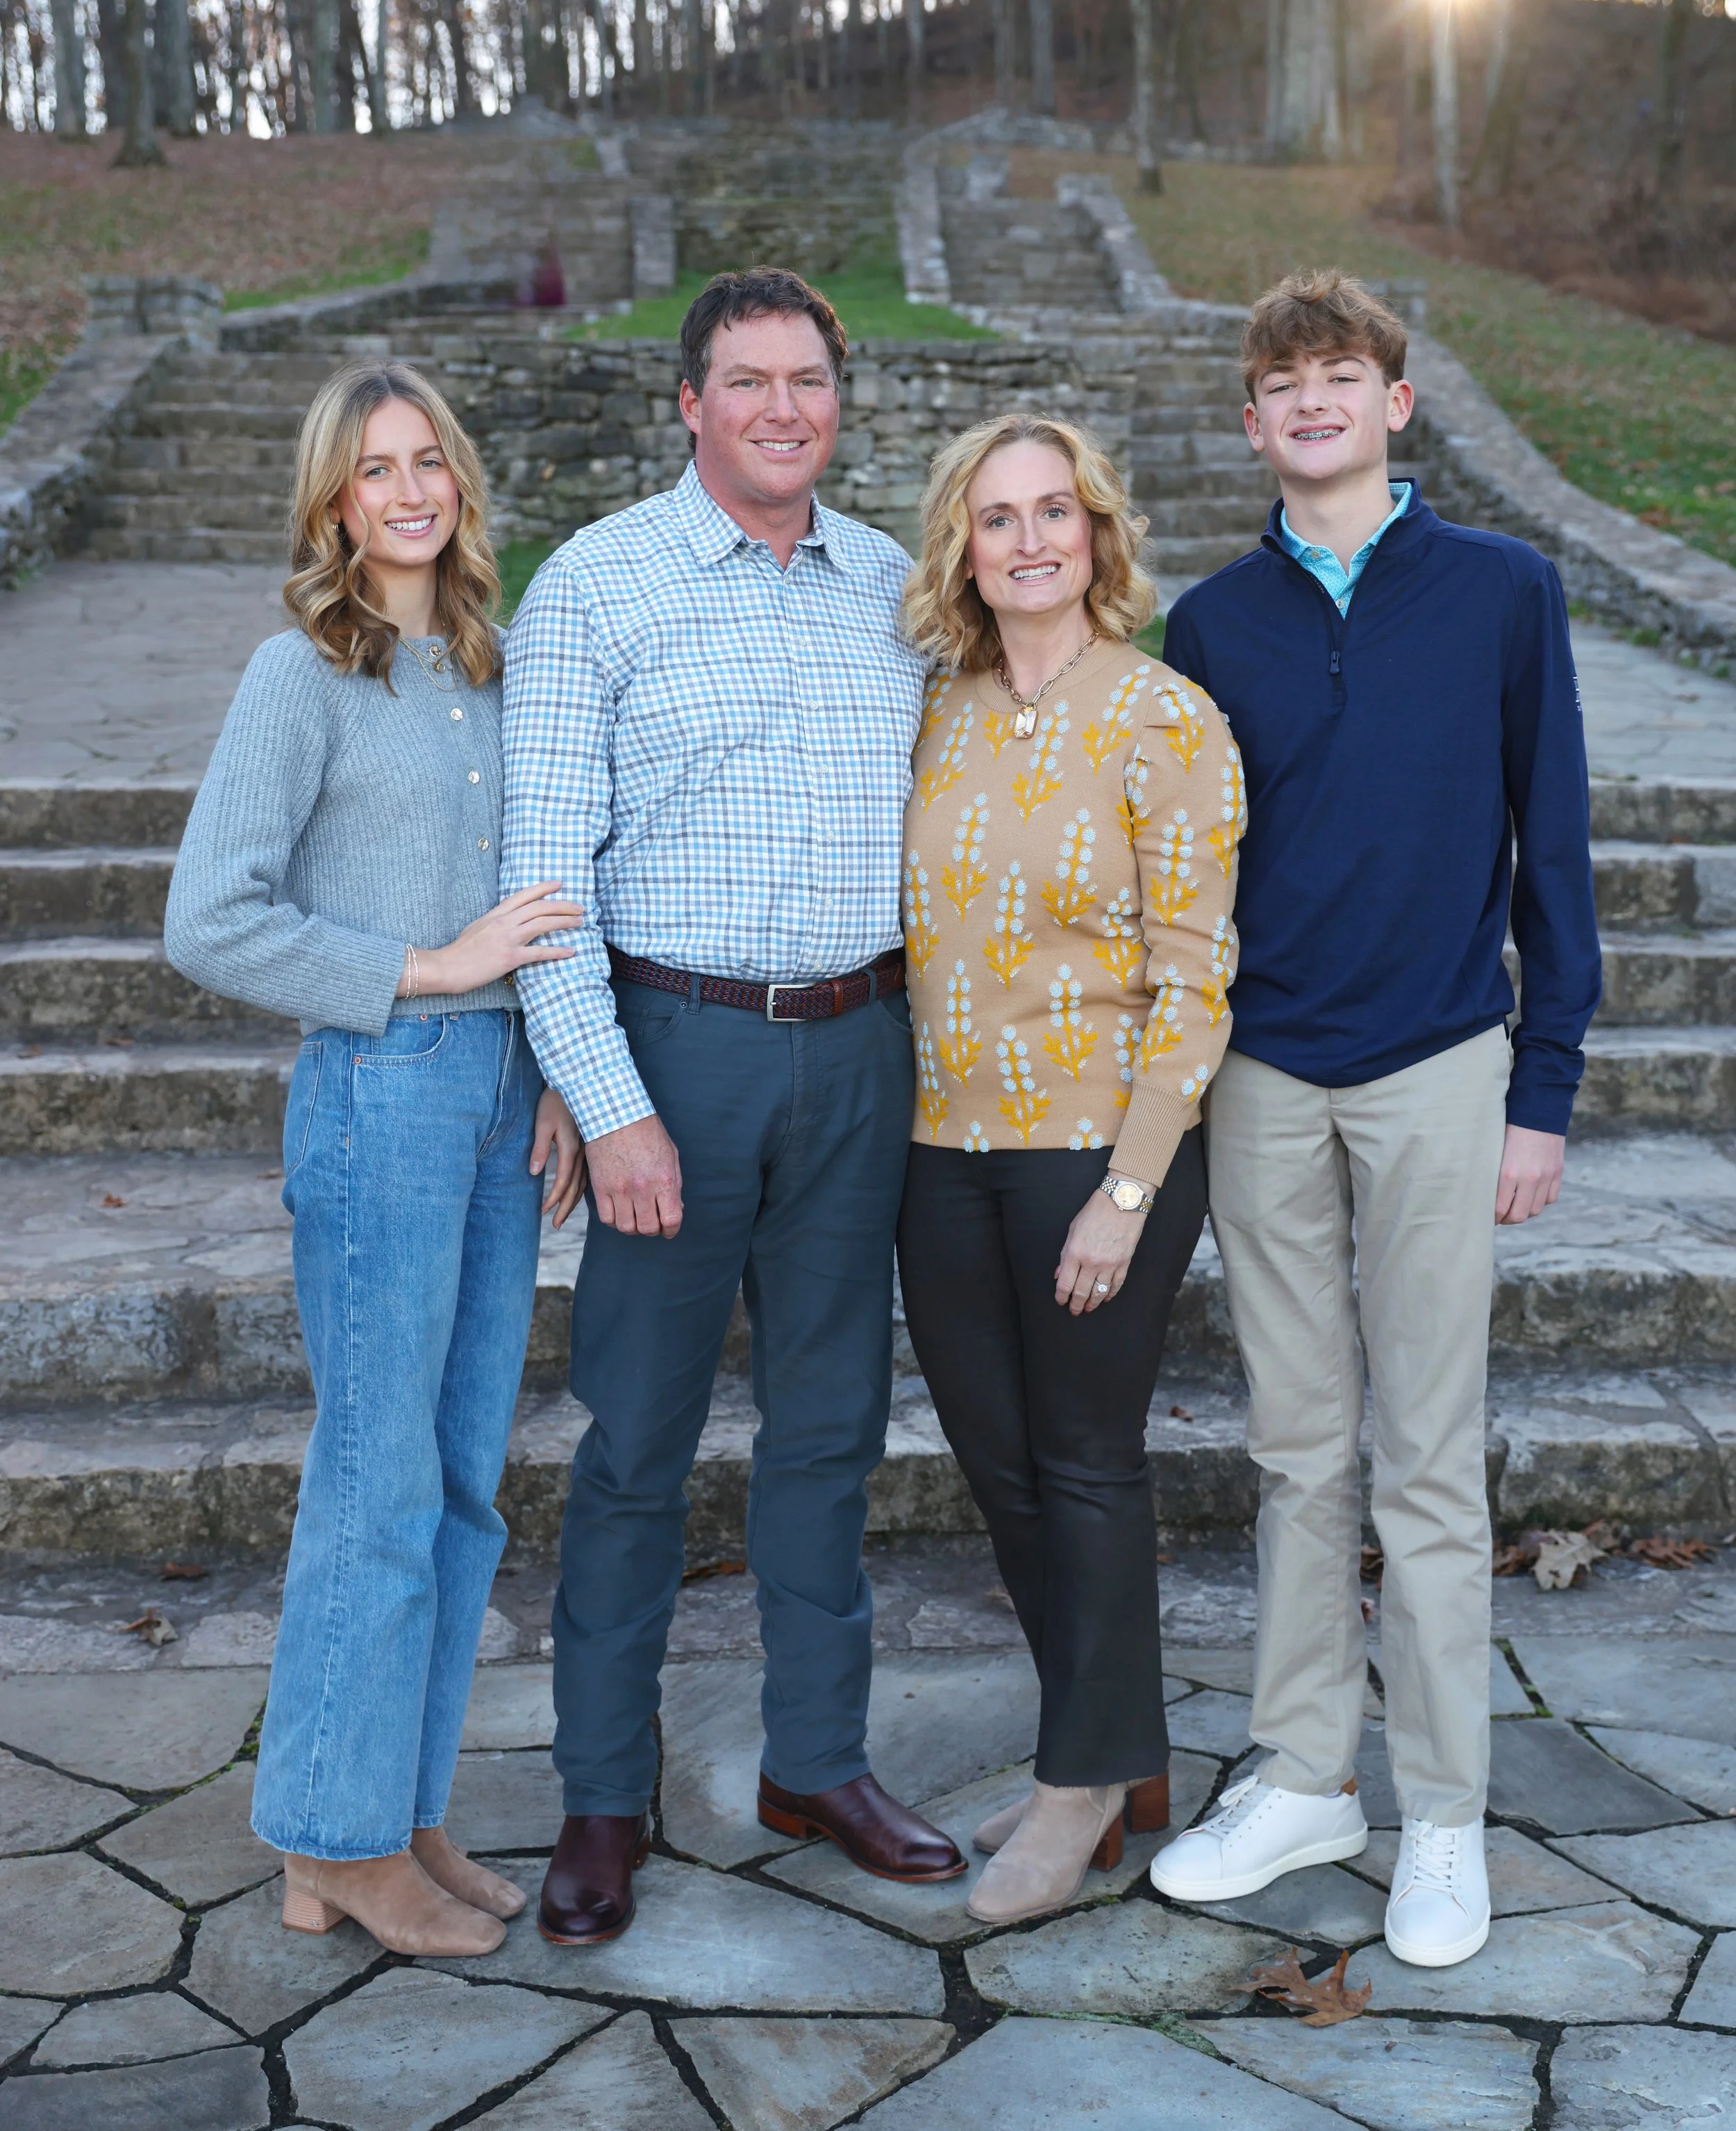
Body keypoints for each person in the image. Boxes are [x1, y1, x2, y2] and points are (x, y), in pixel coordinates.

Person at [501, 265, 967, 1948]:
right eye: (746, 382)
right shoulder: (598, 588)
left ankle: (814, 1762)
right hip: (673, 1055)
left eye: (809, 382)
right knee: (635, 1450)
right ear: (687, 404)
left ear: (840, 405)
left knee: (831, 1434)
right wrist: (605, 1099)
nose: (782, 408)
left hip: (858, 1052)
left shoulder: (897, 594)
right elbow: (543, 882)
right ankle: (601, 1797)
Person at [1152, 271, 1601, 1967]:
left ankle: (1440, 1815)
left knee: (1423, 1462)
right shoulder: (1206, 627)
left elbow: (1546, 849)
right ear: (1252, 424)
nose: (1313, 402)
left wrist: (1538, 1089)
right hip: (1262, 1073)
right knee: (1291, 1449)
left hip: (1434, 1066)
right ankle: (1299, 1775)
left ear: (1393, 403)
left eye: (1341, 375)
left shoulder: (1501, 593)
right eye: (1283, 384)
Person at [165, 362, 586, 1959]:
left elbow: (538, 903)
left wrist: (543, 1064)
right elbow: (208, 918)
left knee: (462, 1478)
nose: (407, 492)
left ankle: (384, 1813)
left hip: (491, 1103)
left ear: (459, 484)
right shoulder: (303, 676)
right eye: (374, 470)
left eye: (429, 463)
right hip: (380, 1093)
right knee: (376, 1476)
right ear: (333, 500)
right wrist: (428, 967)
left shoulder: (493, 665)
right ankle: (335, 1838)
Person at [895, 412, 1243, 1925]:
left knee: (1085, 1460)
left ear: (1097, 534)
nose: (1028, 540)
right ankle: (1108, 1742)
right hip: (937, 1146)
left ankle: (1080, 1782)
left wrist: (1128, 1188)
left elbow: (1196, 970)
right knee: (1001, 1468)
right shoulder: (936, 712)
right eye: (996, 519)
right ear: (960, 550)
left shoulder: (1165, 717)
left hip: (1101, 1148)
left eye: (1055, 512)